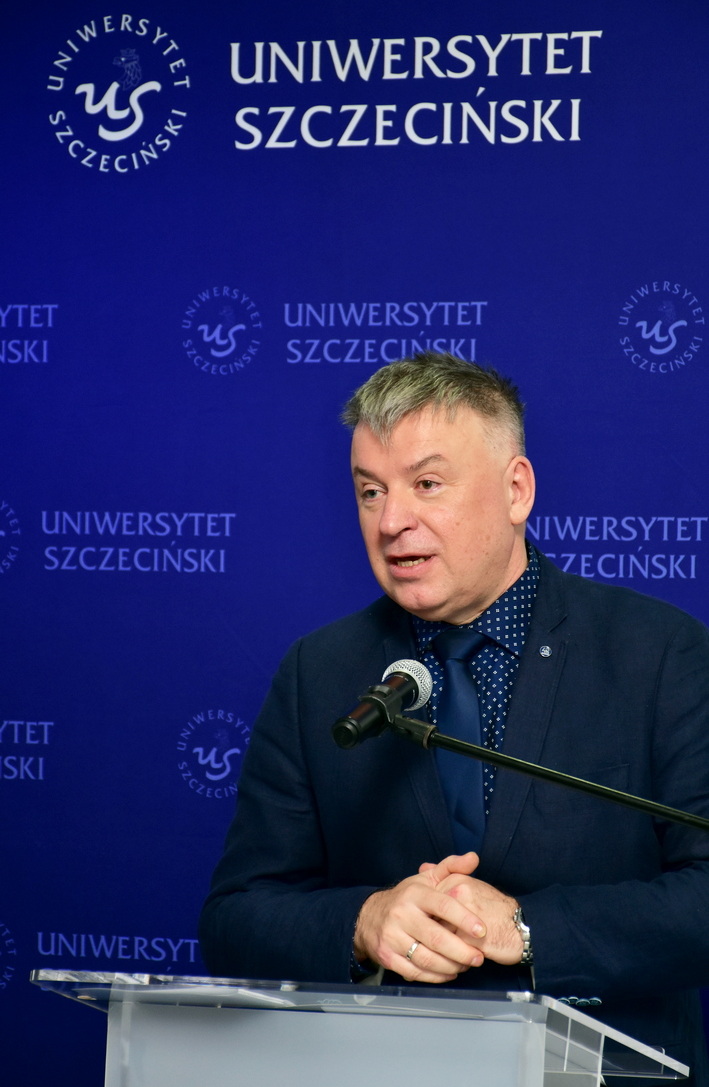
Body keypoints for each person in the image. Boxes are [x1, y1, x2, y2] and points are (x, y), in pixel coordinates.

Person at [200, 352, 709, 1083]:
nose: (391, 520)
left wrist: (526, 930)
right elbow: (235, 916)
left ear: (515, 490)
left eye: (427, 484)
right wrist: (365, 922)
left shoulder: (659, 654)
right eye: (370, 491)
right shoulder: (319, 672)